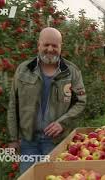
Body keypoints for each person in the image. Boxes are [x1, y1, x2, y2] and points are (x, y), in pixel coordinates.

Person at [7, 27, 86, 173]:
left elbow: (80, 102)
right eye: (46, 45)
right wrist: (13, 139)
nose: (50, 49)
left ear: (61, 47)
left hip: (57, 141)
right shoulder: (23, 70)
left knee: (54, 175)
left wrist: (63, 122)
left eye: (55, 45)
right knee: (29, 176)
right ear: (39, 45)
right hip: (28, 141)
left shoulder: (71, 72)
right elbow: (13, 104)